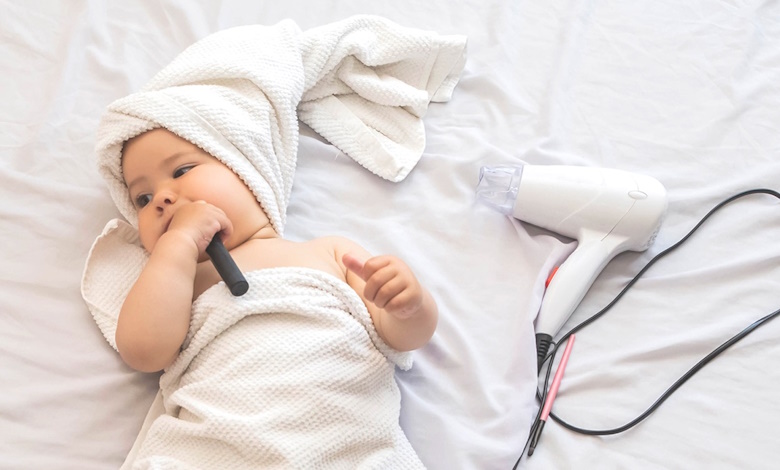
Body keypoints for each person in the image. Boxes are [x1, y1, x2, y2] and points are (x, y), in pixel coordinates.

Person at [116, 127, 439, 373]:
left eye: (182, 171)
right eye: (142, 199)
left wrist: (409, 306)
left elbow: (402, 338)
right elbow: (144, 353)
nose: (161, 198)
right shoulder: (175, 282)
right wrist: (178, 244)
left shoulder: (331, 252)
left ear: (249, 173)